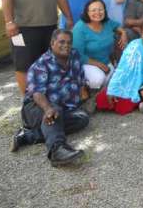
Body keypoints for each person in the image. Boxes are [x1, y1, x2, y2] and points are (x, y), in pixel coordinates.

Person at [10, 29, 89, 167]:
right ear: (52, 43)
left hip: (63, 107)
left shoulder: (74, 55)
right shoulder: (41, 65)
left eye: (69, 42)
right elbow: (37, 93)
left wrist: (83, 91)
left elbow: (79, 78)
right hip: (36, 106)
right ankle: (57, 151)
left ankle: (27, 136)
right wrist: (47, 109)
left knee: (82, 119)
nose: (66, 45)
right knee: (54, 111)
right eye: (62, 42)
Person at [96, 20, 143, 115]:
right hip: (132, 81)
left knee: (122, 107)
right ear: (141, 34)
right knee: (102, 99)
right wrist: (113, 87)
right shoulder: (134, 46)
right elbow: (122, 69)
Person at [72, 0, 128, 89]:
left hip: (105, 61)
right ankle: (83, 84)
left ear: (104, 11)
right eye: (93, 10)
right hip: (86, 63)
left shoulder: (107, 22)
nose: (97, 13)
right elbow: (77, 54)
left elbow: (117, 26)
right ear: (87, 12)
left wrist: (123, 33)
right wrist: (98, 64)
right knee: (98, 79)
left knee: (114, 81)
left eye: (100, 9)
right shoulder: (80, 28)